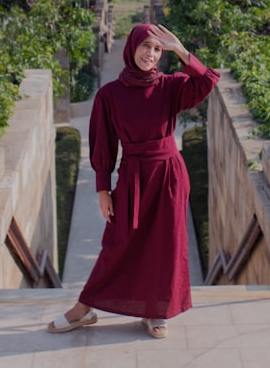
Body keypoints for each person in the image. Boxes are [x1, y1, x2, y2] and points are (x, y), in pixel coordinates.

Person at [47, 23, 220, 339]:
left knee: (164, 245)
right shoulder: (109, 95)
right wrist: (103, 189)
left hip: (168, 175)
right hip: (132, 177)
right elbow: (104, 145)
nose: (151, 54)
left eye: (157, 49)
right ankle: (85, 308)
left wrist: (180, 50)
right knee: (117, 243)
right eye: (146, 46)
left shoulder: (171, 86)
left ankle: (154, 309)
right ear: (132, 46)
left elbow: (207, 81)